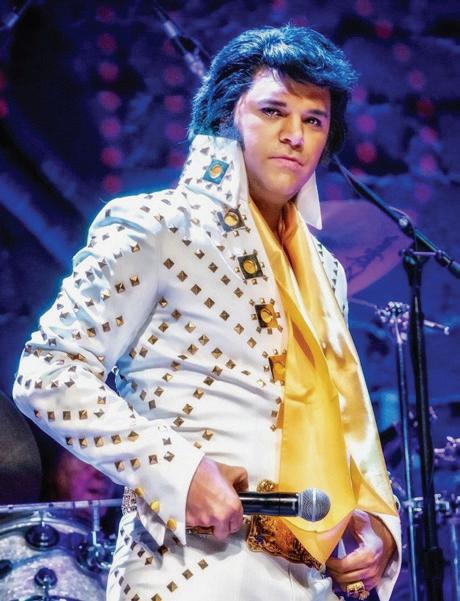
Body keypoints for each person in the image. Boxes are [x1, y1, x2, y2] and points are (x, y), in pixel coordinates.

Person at [13, 25, 401, 601]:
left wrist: (376, 524)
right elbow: (46, 371)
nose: (295, 135)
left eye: (314, 121)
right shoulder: (155, 225)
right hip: (188, 566)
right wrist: (178, 469)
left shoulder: (326, 269)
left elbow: (340, 415)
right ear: (226, 117)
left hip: (307, 579)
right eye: (273, 111)